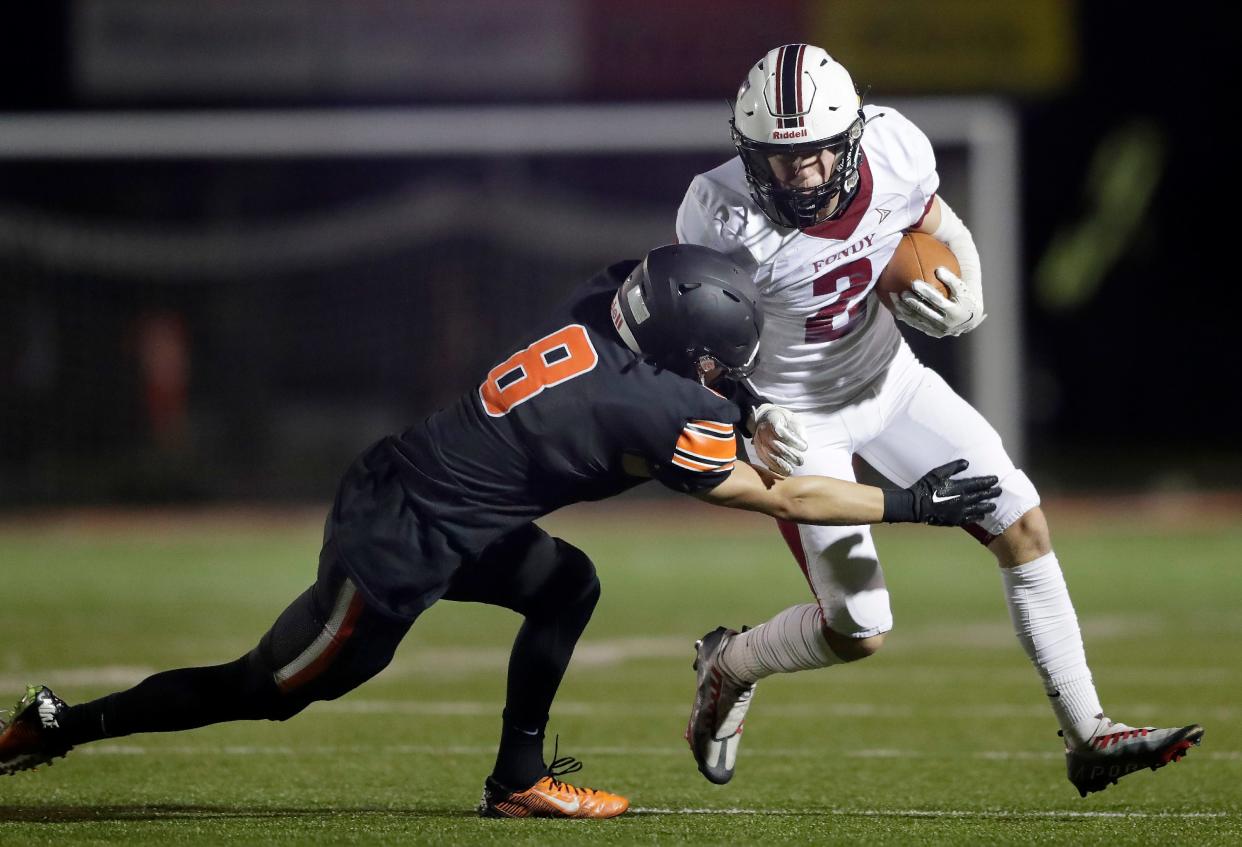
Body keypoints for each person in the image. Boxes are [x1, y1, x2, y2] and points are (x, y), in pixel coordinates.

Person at [0, 244, 1000, 818]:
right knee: (268, 691)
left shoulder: (601, 307)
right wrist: (915, 505)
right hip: (403, 536)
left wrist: (728, 382)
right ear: (677, 351)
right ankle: (61, 724)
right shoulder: (656, 411)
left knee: (567, 582)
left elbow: (650, 302)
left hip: (435, 490)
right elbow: (785, 496)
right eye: (713, 363)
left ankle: (517, 781)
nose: (723, 375)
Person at [676, 44, 1203, 797]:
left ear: (852, 137)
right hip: (797, 423)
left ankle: (1089, 732)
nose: (799, 174)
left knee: (1020, 518)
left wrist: (972, 288)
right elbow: (695, 343)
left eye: (817, 153)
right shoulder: (719, 212)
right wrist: (751, 411)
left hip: (892, 384)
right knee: (858, 627)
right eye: (778, 157)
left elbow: (938, 221)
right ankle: (730, 664)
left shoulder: (895, 148)